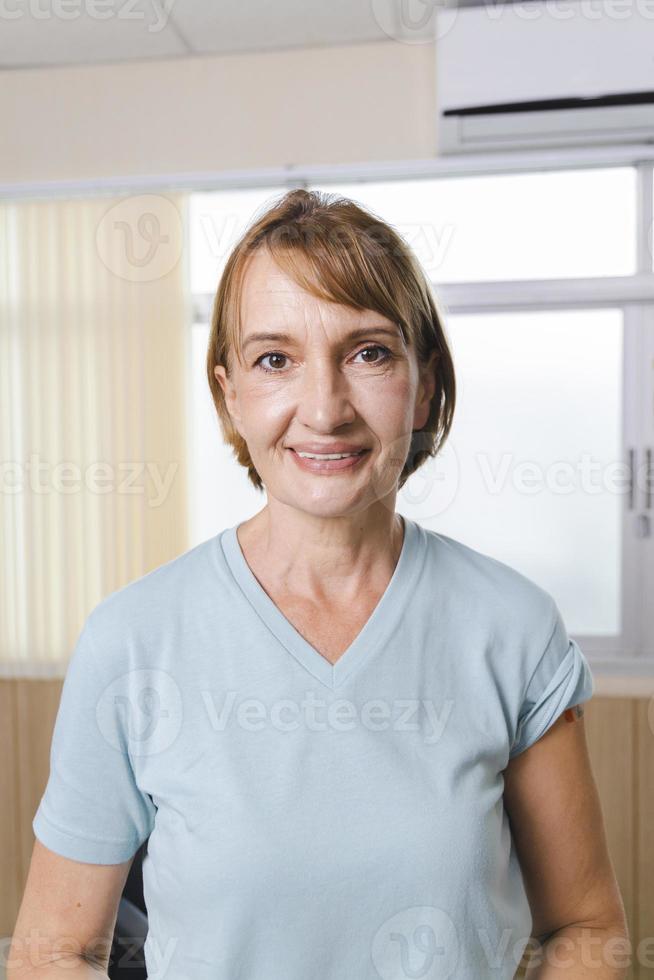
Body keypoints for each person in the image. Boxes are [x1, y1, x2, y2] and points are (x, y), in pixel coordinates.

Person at [11, 189, 629, 980]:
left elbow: (586, 928)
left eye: (368, 352)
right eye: (276, 360)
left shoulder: (510, 628)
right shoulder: (133, 639)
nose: (325, 408)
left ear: (425, 386)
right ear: (230, 394)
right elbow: (51, 953)